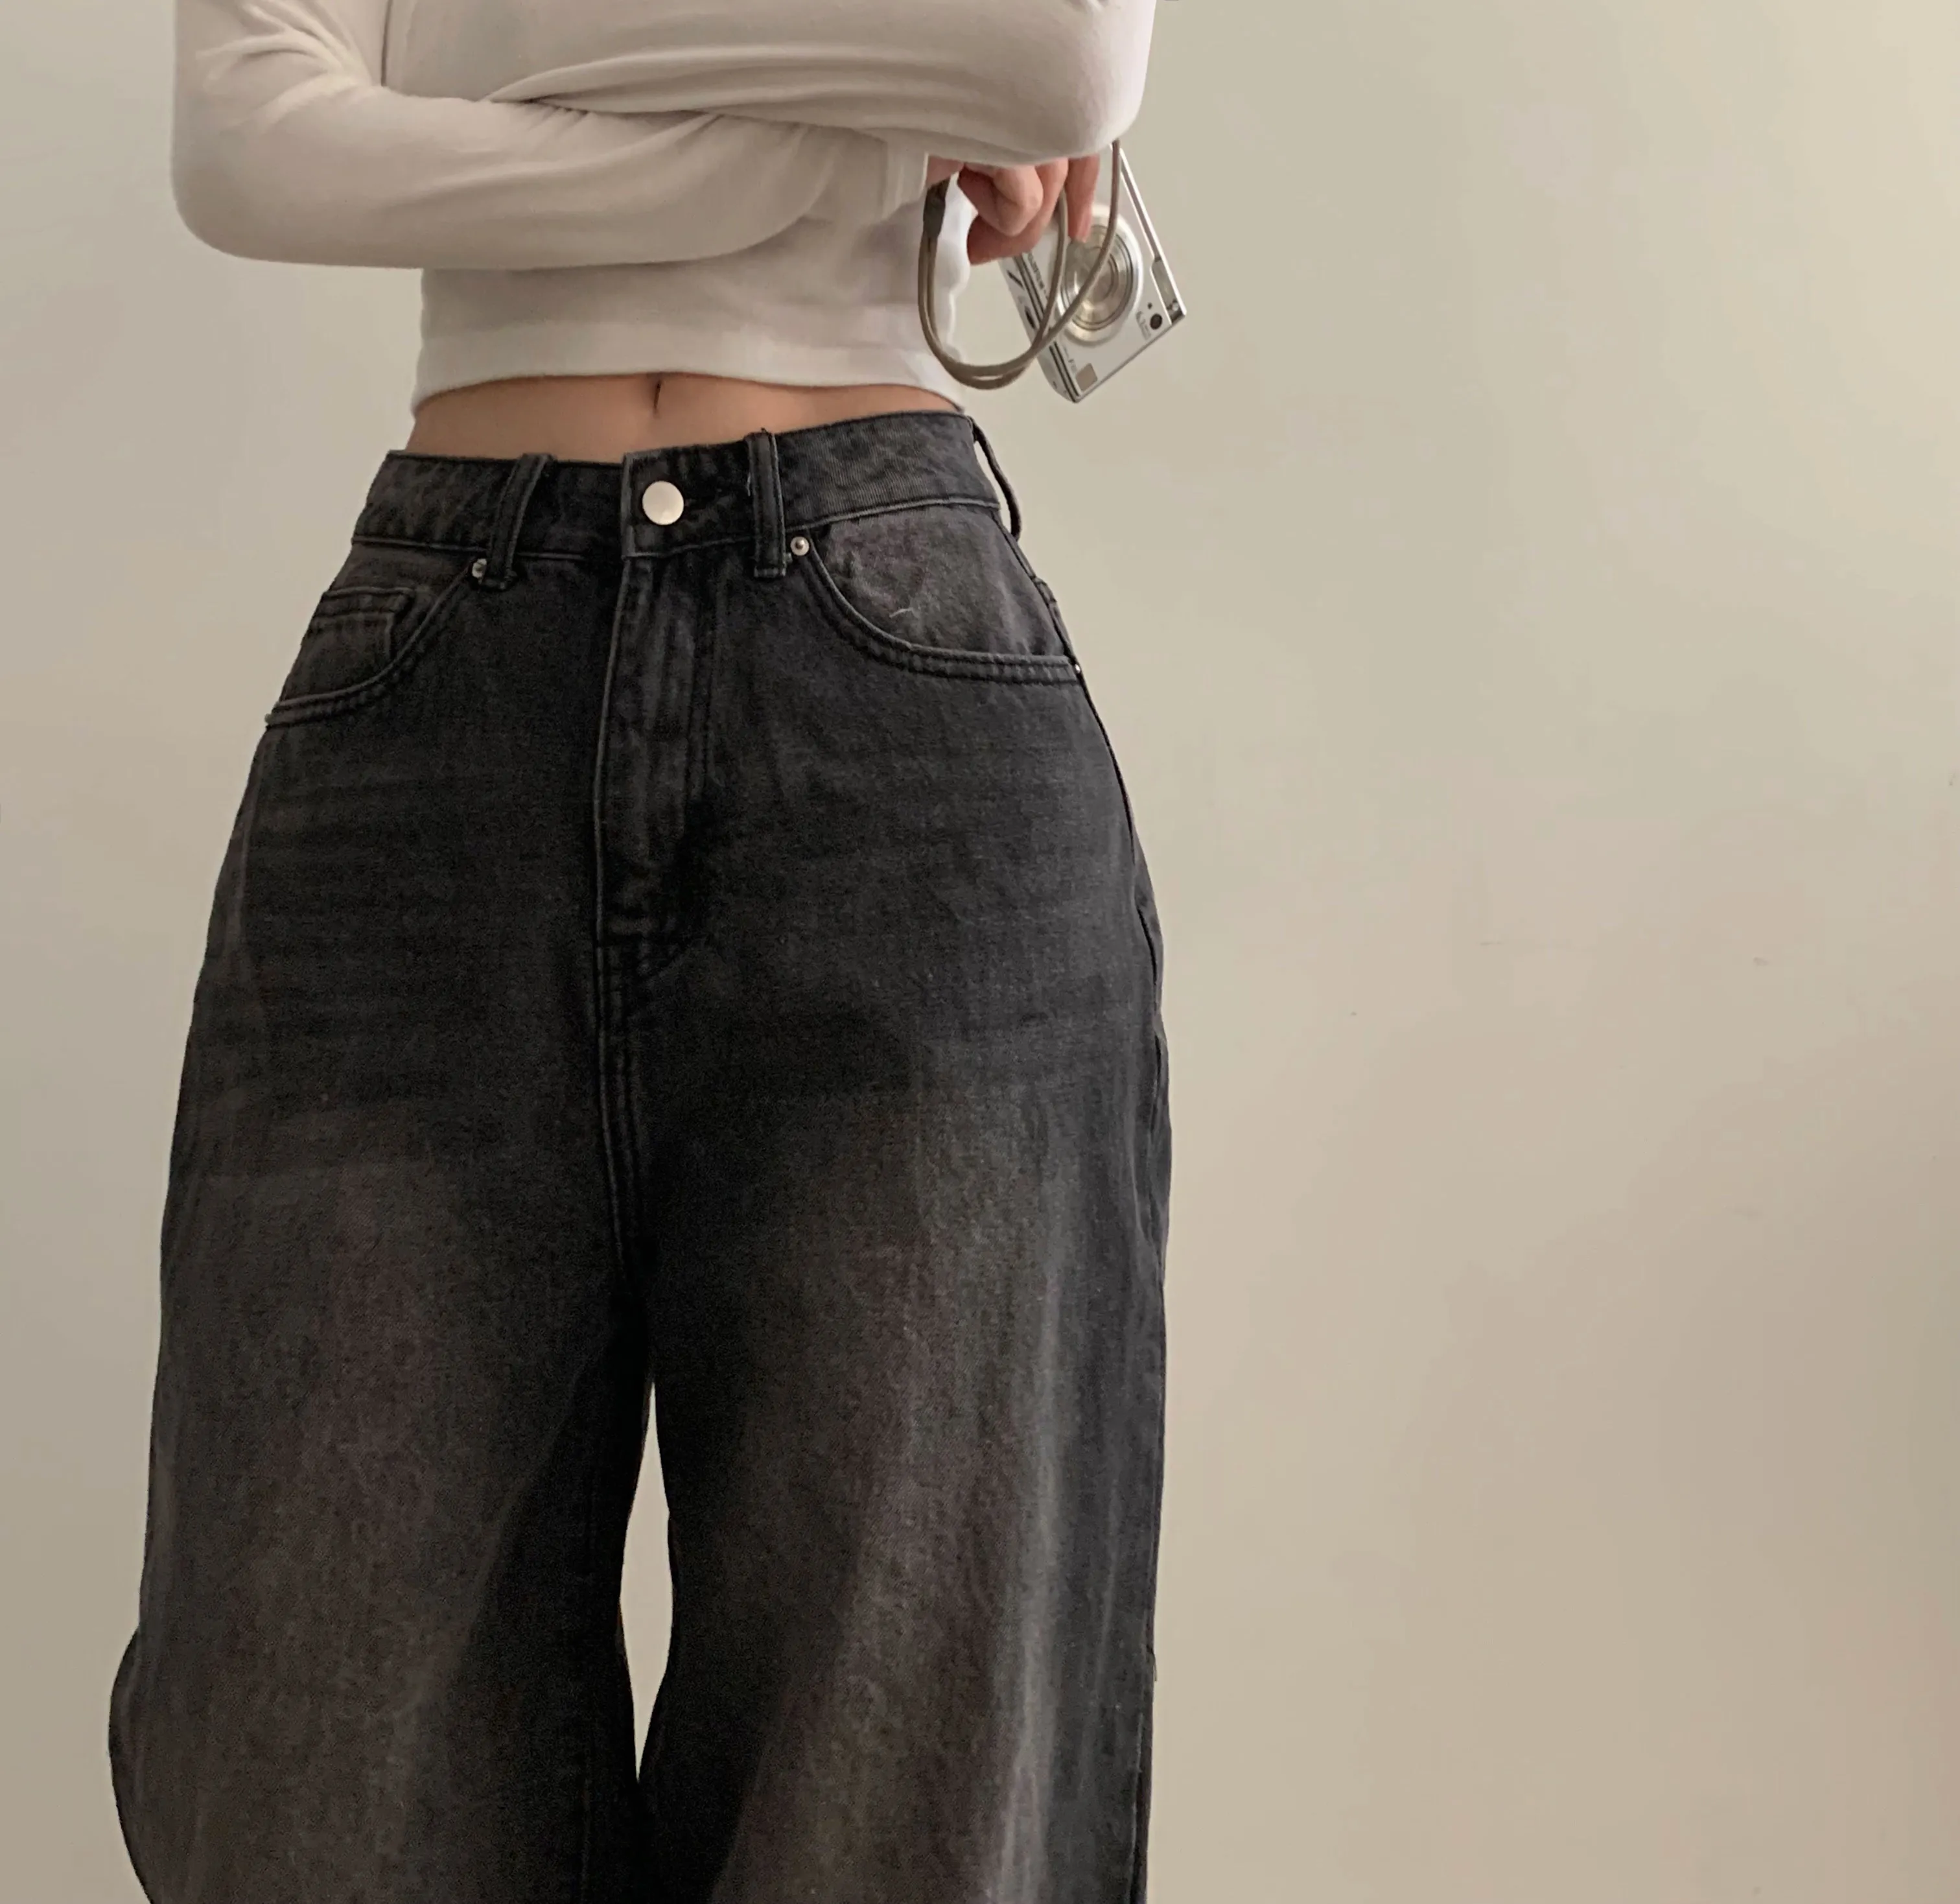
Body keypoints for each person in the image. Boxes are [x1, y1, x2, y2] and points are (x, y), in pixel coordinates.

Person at [109, 1, 1172, 1899]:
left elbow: (1056, 61)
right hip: (441, 681)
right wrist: (848, 137)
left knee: (909, 1774)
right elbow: (254, 147)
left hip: (896, 682)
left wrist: (497, 73)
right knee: (311, 1755)